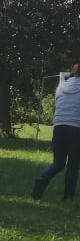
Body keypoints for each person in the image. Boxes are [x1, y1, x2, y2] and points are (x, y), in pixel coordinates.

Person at [33, 64, 80, 201]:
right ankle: (68, 196)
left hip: (58, 127)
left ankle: (42, 180)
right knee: (73, 165)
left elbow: (59, 103)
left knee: (58, 163)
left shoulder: (61, 86)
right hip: (76, 128)